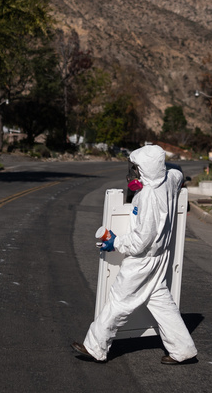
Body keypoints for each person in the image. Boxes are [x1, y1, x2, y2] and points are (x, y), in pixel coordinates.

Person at [71, 144, 197, 365]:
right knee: (160, 300)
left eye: (136, 168)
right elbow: (177, 174)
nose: (133, 173)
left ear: (147, 169)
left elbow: (140, 241)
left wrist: (115, 242)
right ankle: (183, 349)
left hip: (142, 260)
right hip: (159, 257)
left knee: (118, 301)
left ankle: (95, 347)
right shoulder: (168, 180)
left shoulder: (148, 196)